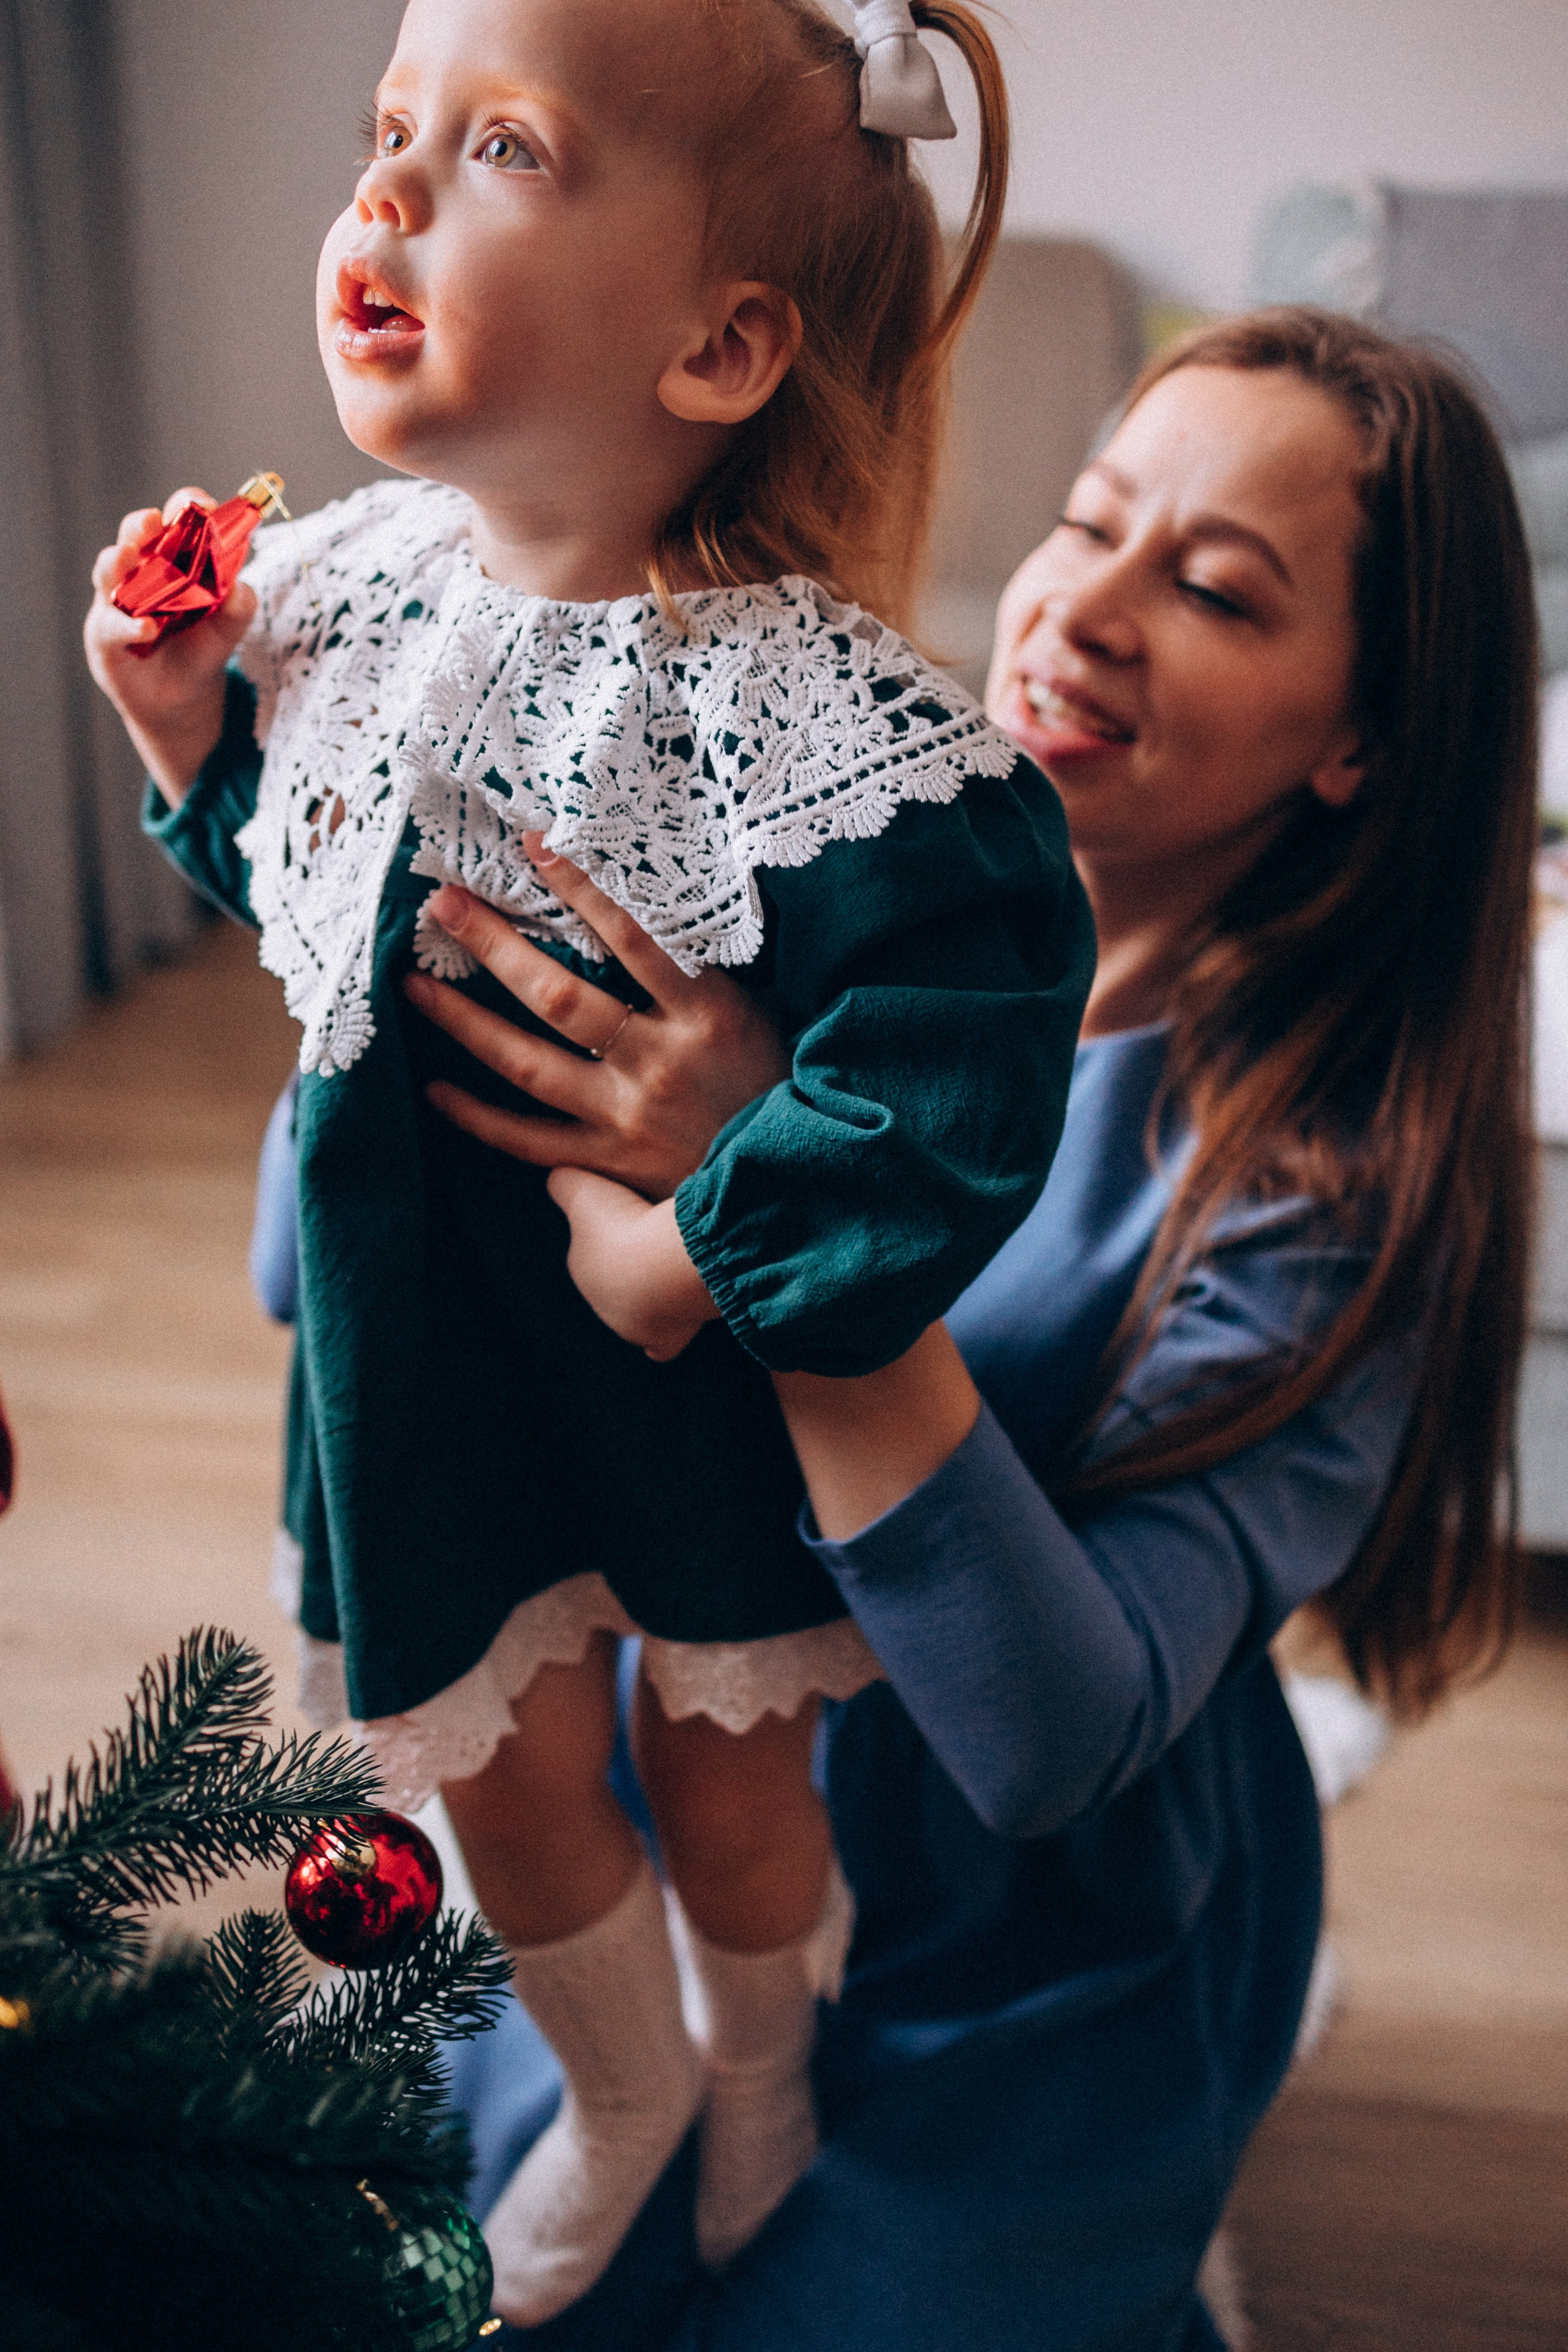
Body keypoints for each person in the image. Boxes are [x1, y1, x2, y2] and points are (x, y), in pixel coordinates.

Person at [82, 0, 1098, 2326]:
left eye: (503, 147)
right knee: (507, 1783)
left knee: (723, 1780)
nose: (390, 189)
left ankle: (760, 2067)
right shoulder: (338, 593)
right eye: (388, 131)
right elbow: (329, 940)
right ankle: (620, 2088)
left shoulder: (815, 720)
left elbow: (966, 1066)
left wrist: (704, 1251)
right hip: (421, 1349)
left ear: (723, 342)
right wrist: (191, 756)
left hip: (687, 1379)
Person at [408, 309, 1537, 2347]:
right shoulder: (812, 882)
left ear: (1363, 731)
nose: (1084, 610)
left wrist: (788, 1181)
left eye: (1210, 588)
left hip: (1041, 1934)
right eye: (1089, 523)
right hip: (688, 1769)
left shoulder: (1330, 1199)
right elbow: (323, 1295)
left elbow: (1046, 1735)